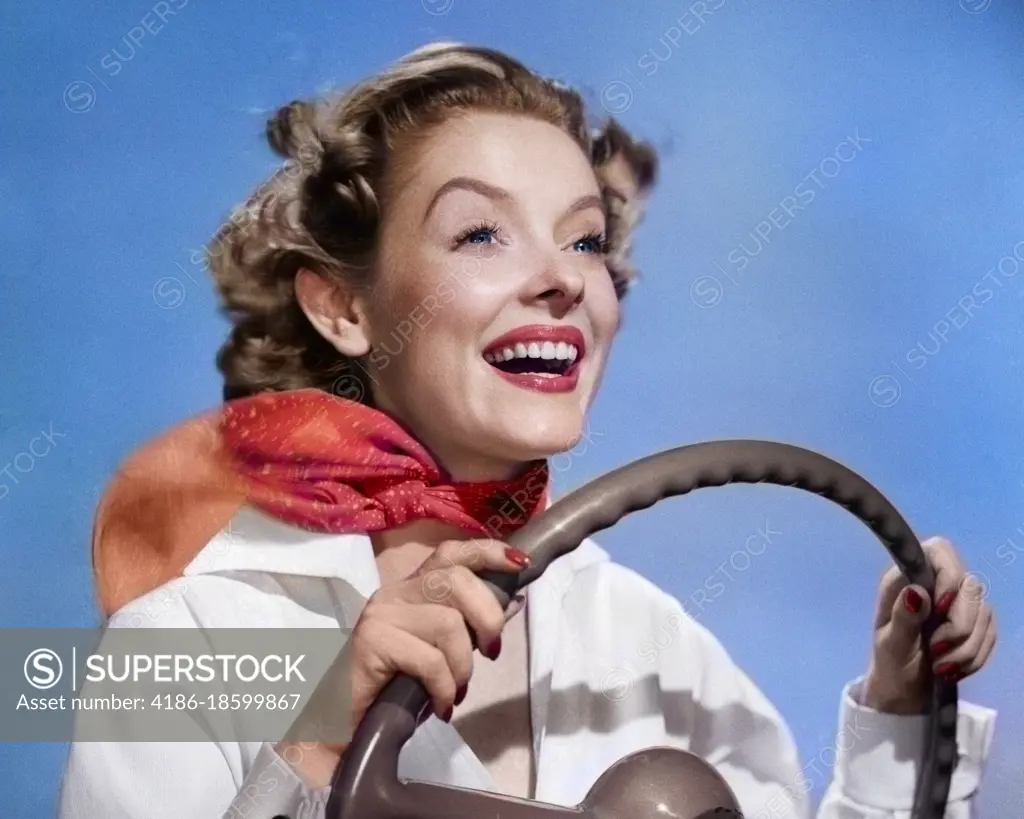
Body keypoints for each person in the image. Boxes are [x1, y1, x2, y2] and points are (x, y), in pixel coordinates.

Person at [57, 42, 997, 819]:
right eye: (479, 234)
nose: (565, 279)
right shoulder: (179, 642)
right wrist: (314, 739)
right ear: (343, 307)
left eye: (585, 240)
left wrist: (901, 716)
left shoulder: (659, 647)